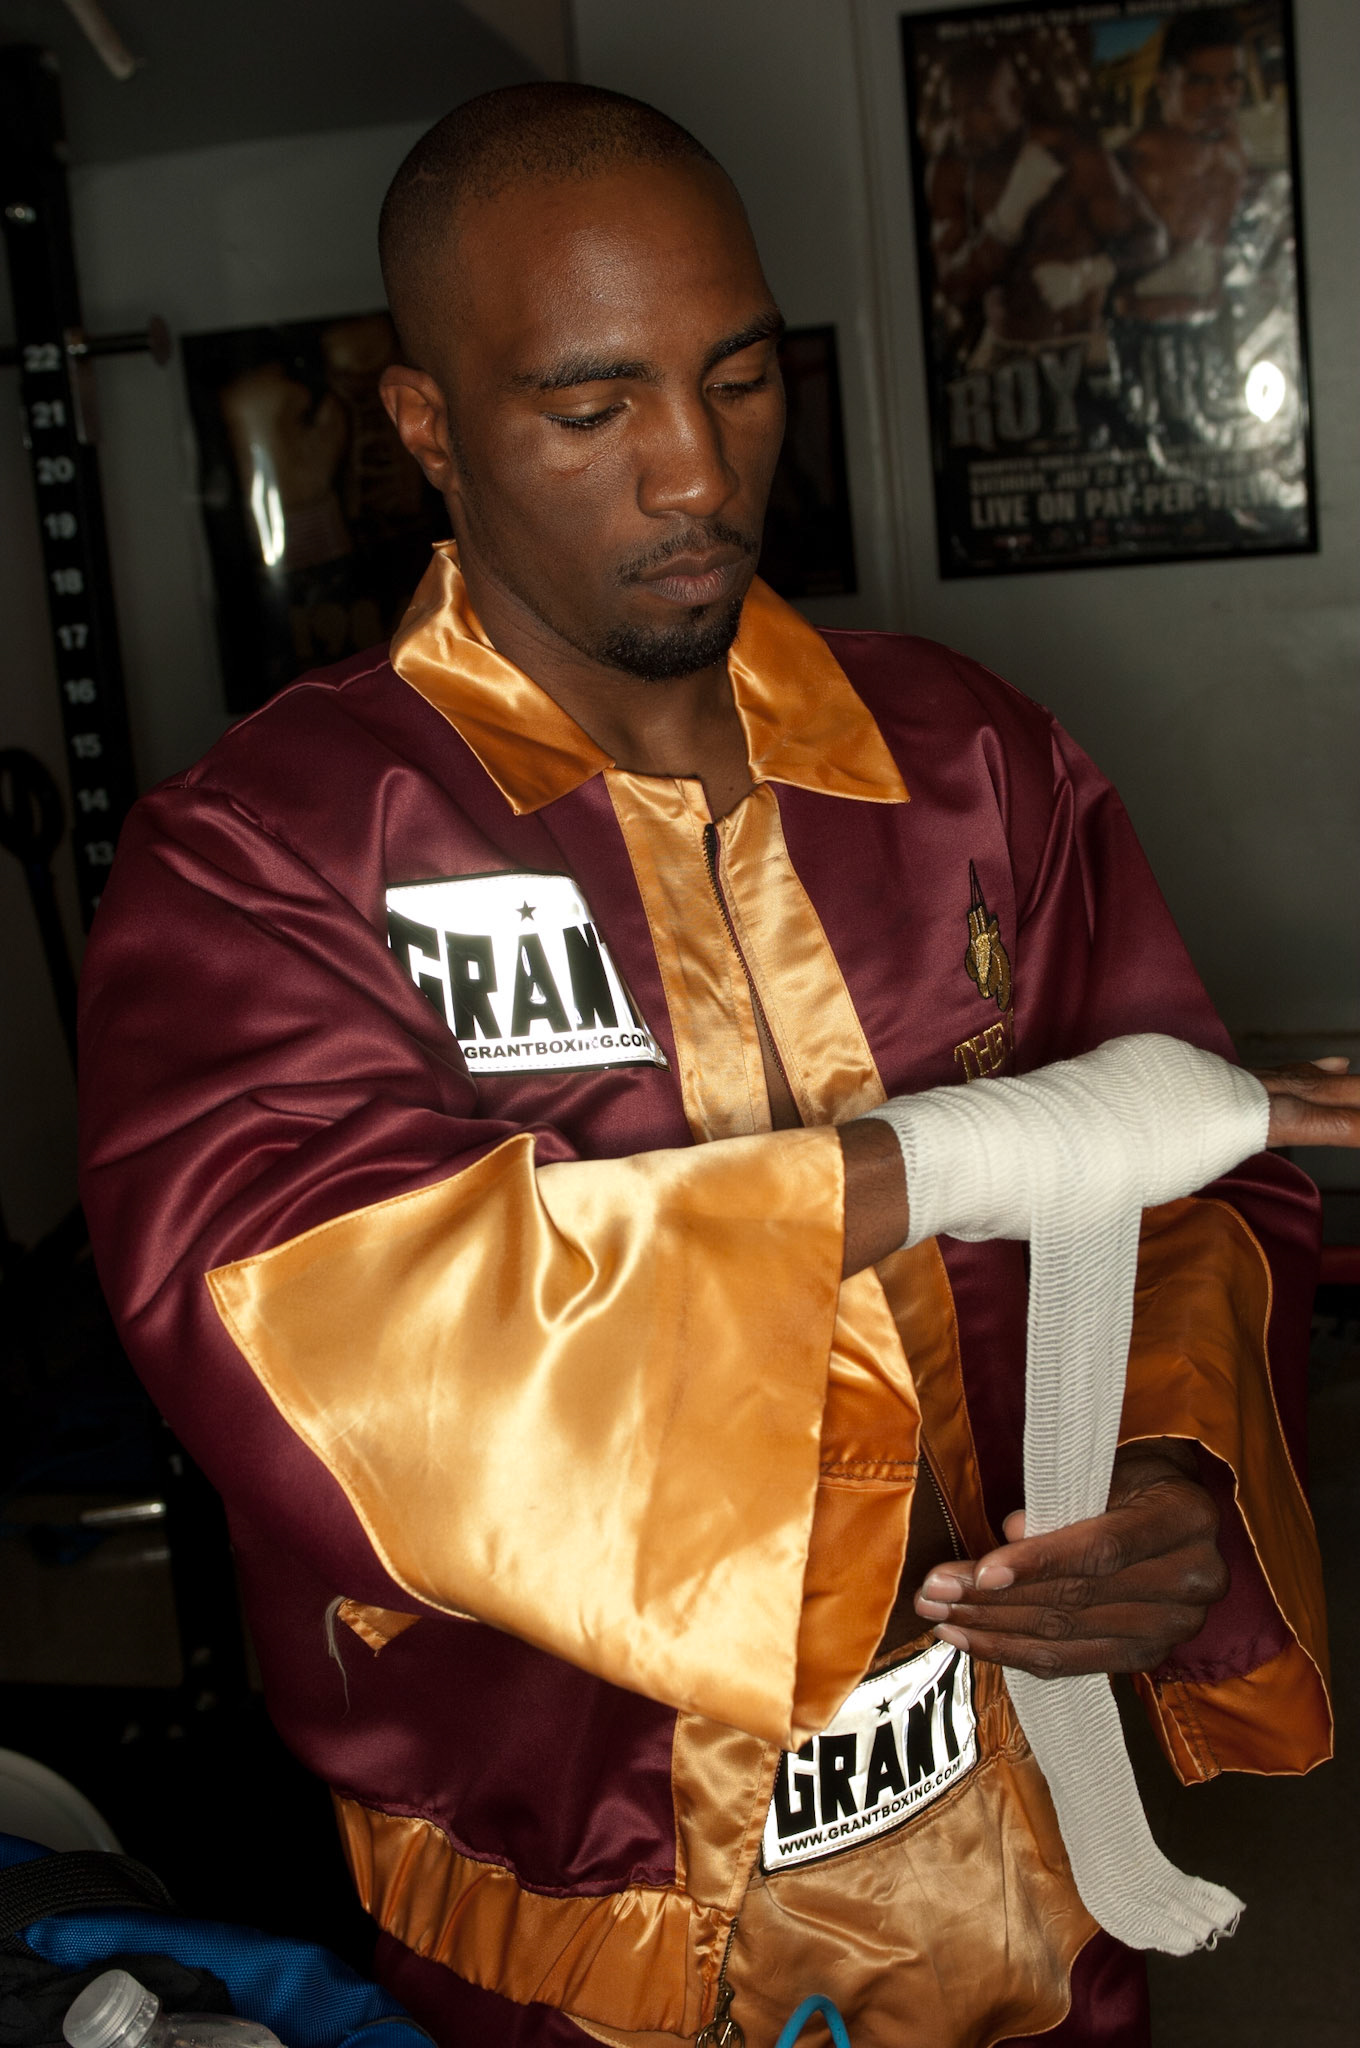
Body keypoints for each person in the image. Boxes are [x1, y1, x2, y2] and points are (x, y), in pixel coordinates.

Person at [78, 84, 1356, 2048]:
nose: (693, 467)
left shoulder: (970, 761)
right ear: (428, 429)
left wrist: (1163, 1471)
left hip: (1025, 1857)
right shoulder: (274, 854)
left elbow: (1188, 1181)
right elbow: (341, 1349)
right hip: (594, 1939)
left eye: (739, 376)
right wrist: (954, 1156)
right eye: (589, 409)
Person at [924, 42, 1164, 370]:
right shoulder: (952, 170)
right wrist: (1008, 216)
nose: (965, 127)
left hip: (1082, 344)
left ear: (1015, 101)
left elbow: (1152, 240)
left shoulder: (1075, 157)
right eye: (956, 113)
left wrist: (1085, 275)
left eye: (981, 109)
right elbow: (953, 285)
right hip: (1003, 348)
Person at [1118, 10, 1250, 326]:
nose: (1220, 98)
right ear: (1165, 83)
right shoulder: (1129, 166)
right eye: (1200, 83)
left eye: (1232, 81)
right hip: (1146, 342)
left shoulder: (1235, 153)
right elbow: (1112, 298)